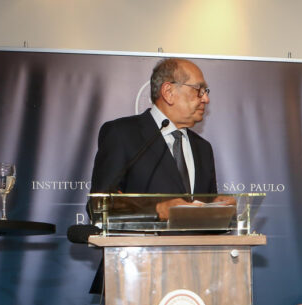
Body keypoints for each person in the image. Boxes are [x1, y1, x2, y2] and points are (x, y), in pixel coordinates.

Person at [86, 58, 219, 292]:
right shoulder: (123, 134)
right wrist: (157, 209)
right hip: (134, 275)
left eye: (205, 92)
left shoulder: (203, 148)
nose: (205, 98)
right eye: (198, 90)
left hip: (196, 277)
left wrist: (220, 210)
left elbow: (206, 215)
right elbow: (99, 206)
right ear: (168, 91)